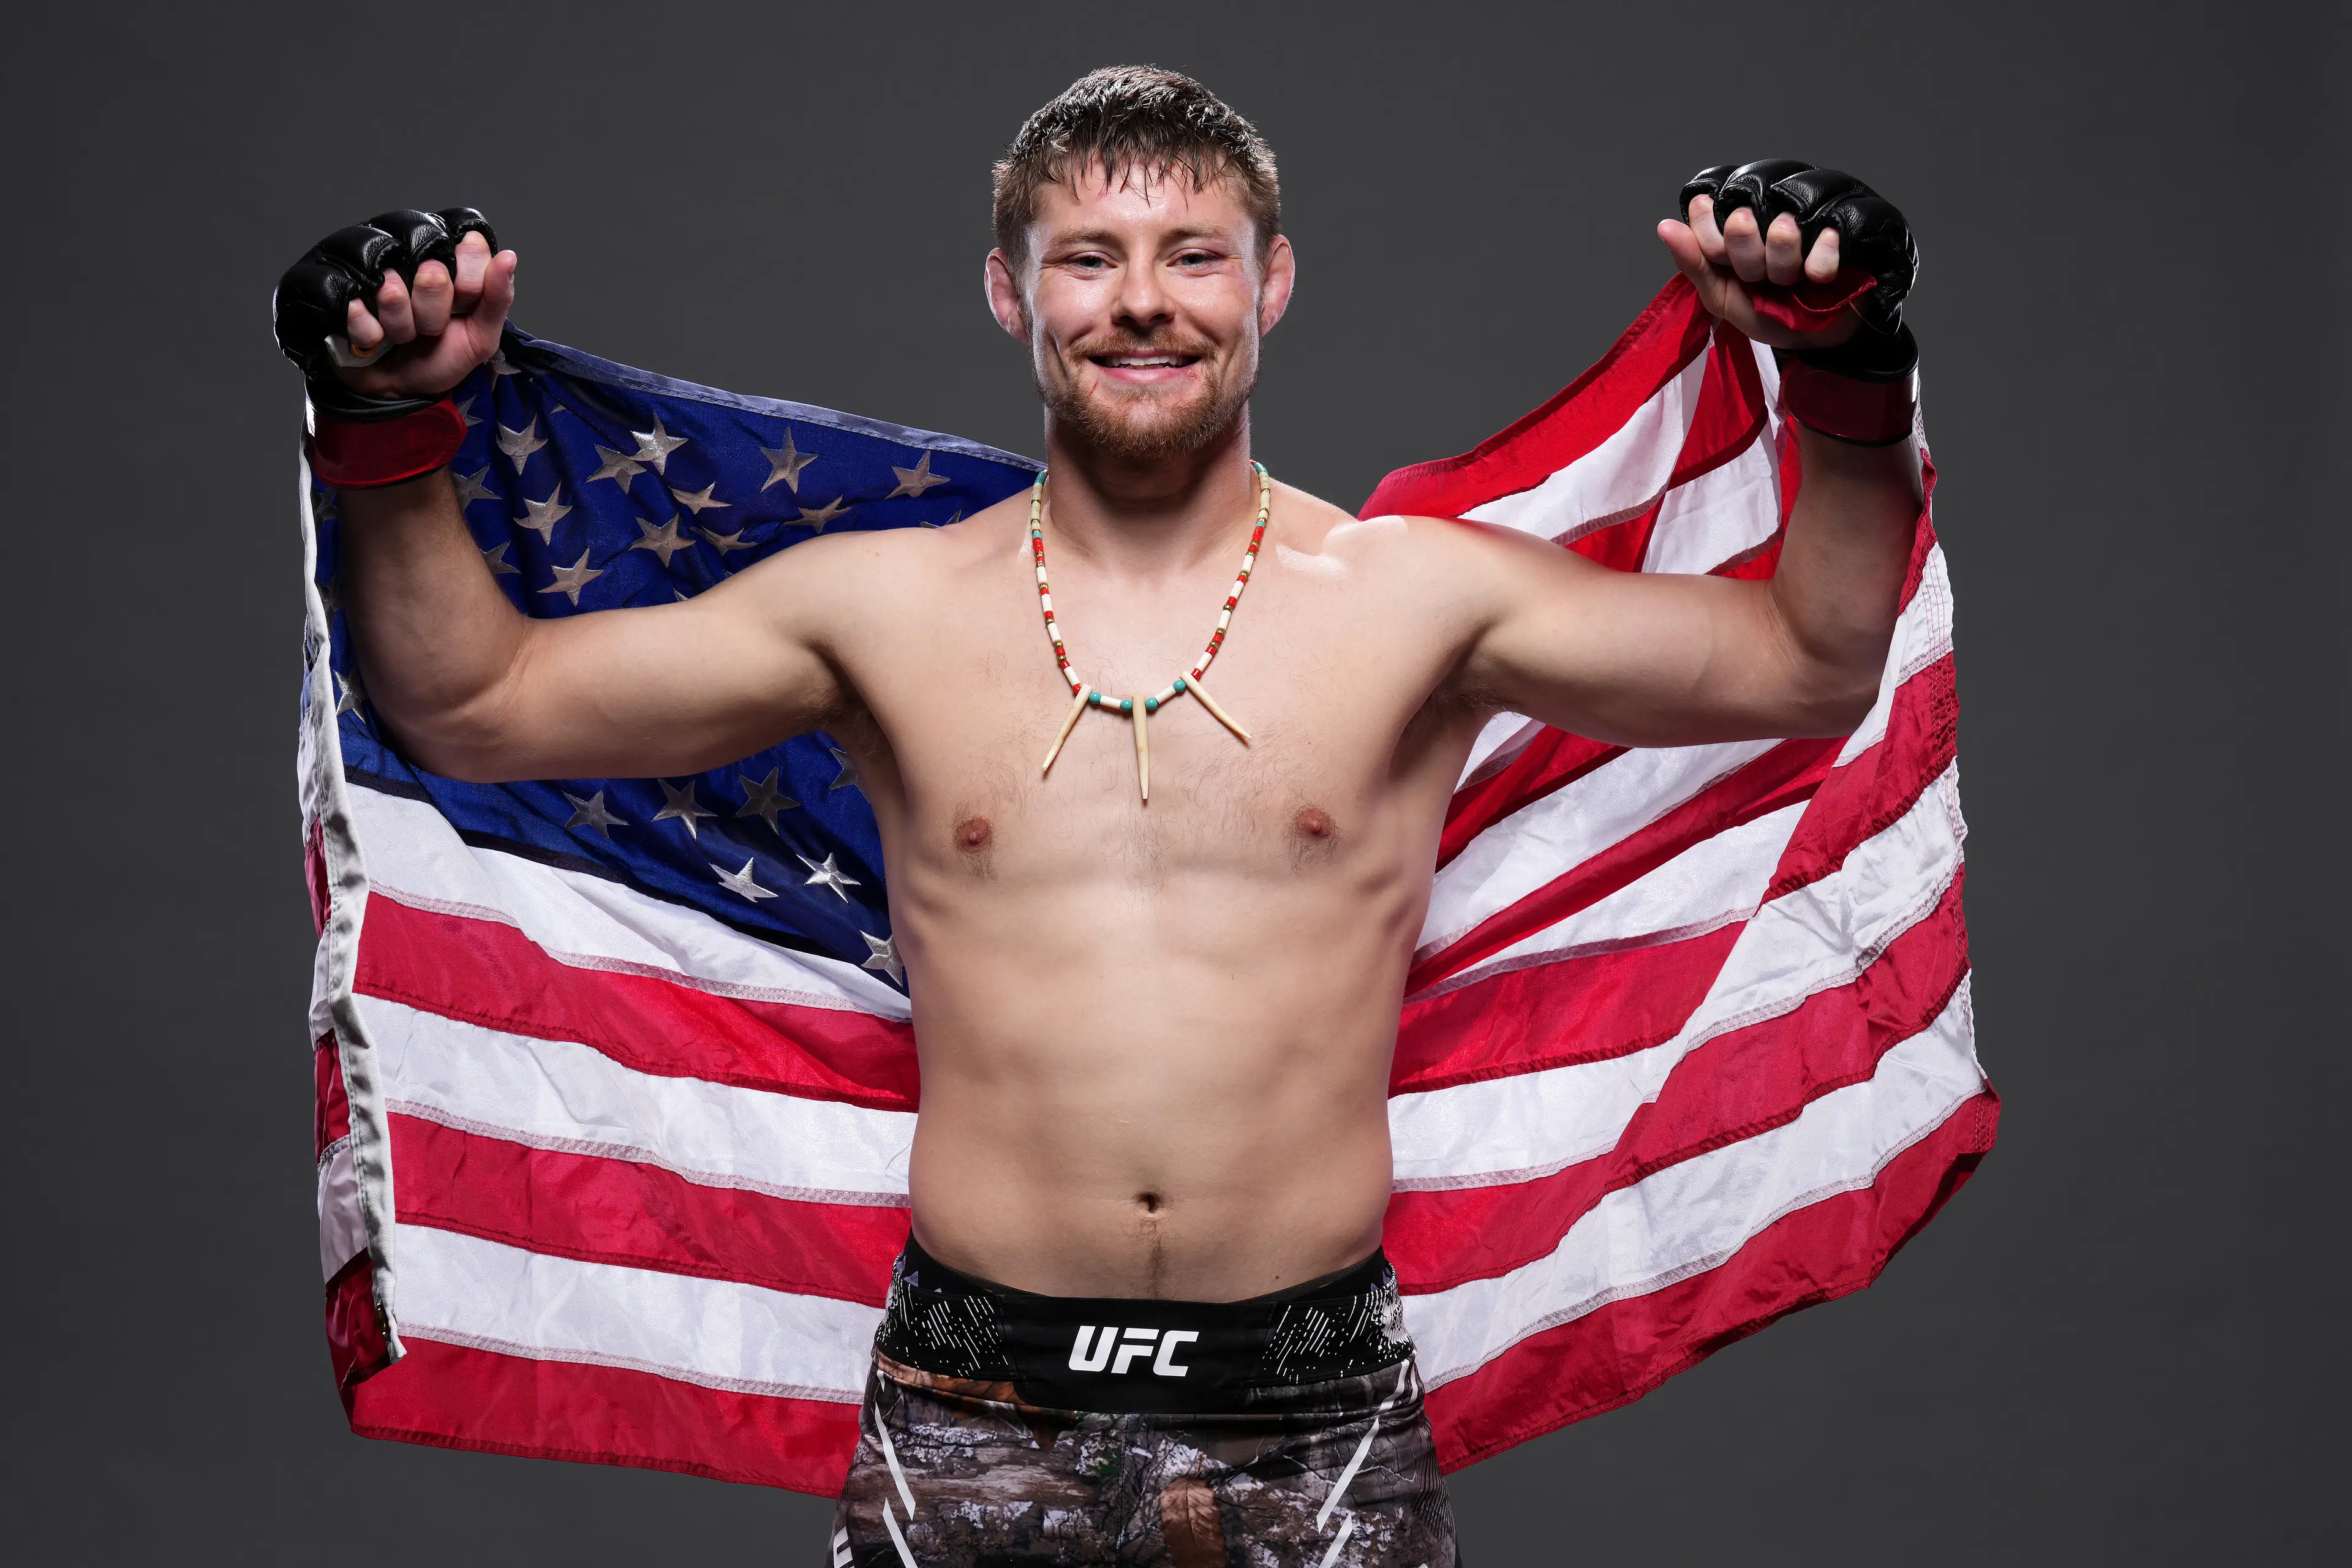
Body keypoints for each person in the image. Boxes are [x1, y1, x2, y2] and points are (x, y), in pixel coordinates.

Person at [274, 64, 1924, 1568]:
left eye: (1196, 255)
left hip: (1313, 1401)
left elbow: (1806, 659)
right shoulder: (883, 613)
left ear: (1272, 284)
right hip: (973, 1407)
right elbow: (472, 703)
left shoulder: (1416, 603)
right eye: (1089, 259)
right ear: (1012, 292)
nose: (1145, 304)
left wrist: (1844, 371)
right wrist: (391, 425)